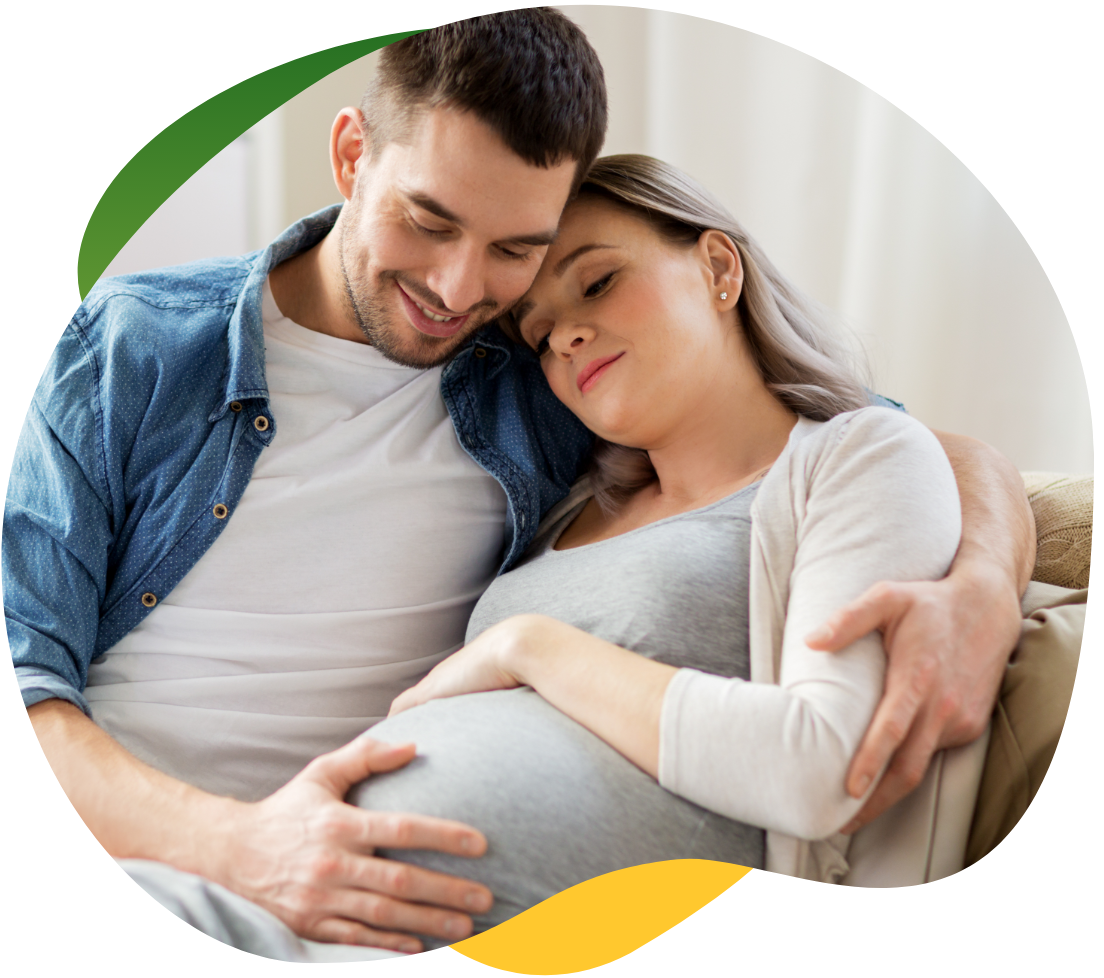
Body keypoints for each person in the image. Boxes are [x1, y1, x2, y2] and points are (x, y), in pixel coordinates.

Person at [8, 11, 1033, 956]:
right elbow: (29, 677)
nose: (460, 290)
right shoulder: (136, 346)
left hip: (340, 895)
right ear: (353, 153)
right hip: (165, 853)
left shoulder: (535, 370)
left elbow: (877, 438)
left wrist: (981, 588)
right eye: (429, 221)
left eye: (515, 249)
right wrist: (241, 847)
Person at [330, 154, 960, 947]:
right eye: (542, 334)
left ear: (719, 266)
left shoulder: (855, 456)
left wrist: (527, 647)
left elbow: (824, 765)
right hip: (329, 890)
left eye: (596, 284)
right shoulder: (564, 510)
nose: (568, 336)